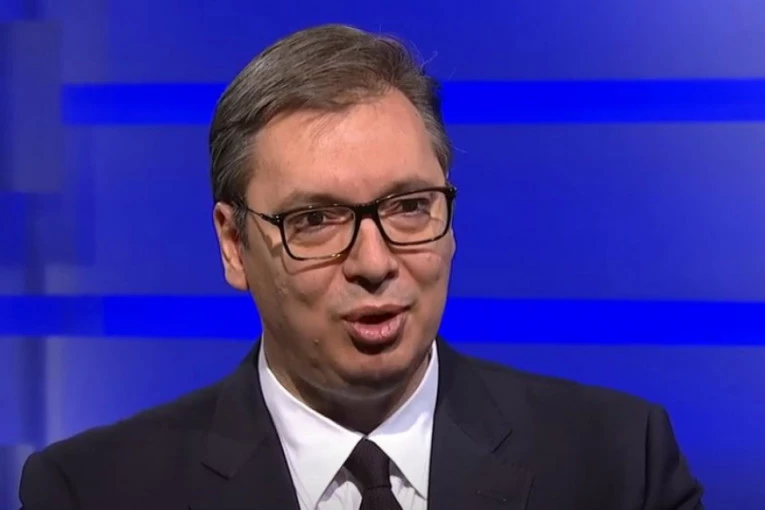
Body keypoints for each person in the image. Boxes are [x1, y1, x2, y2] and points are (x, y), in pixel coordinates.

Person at [18, 24, 704, 510]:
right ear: (233, 244)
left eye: (409, 206)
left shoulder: (620, 464)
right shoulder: (93, 491)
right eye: (315, 220)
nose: (374, 263)